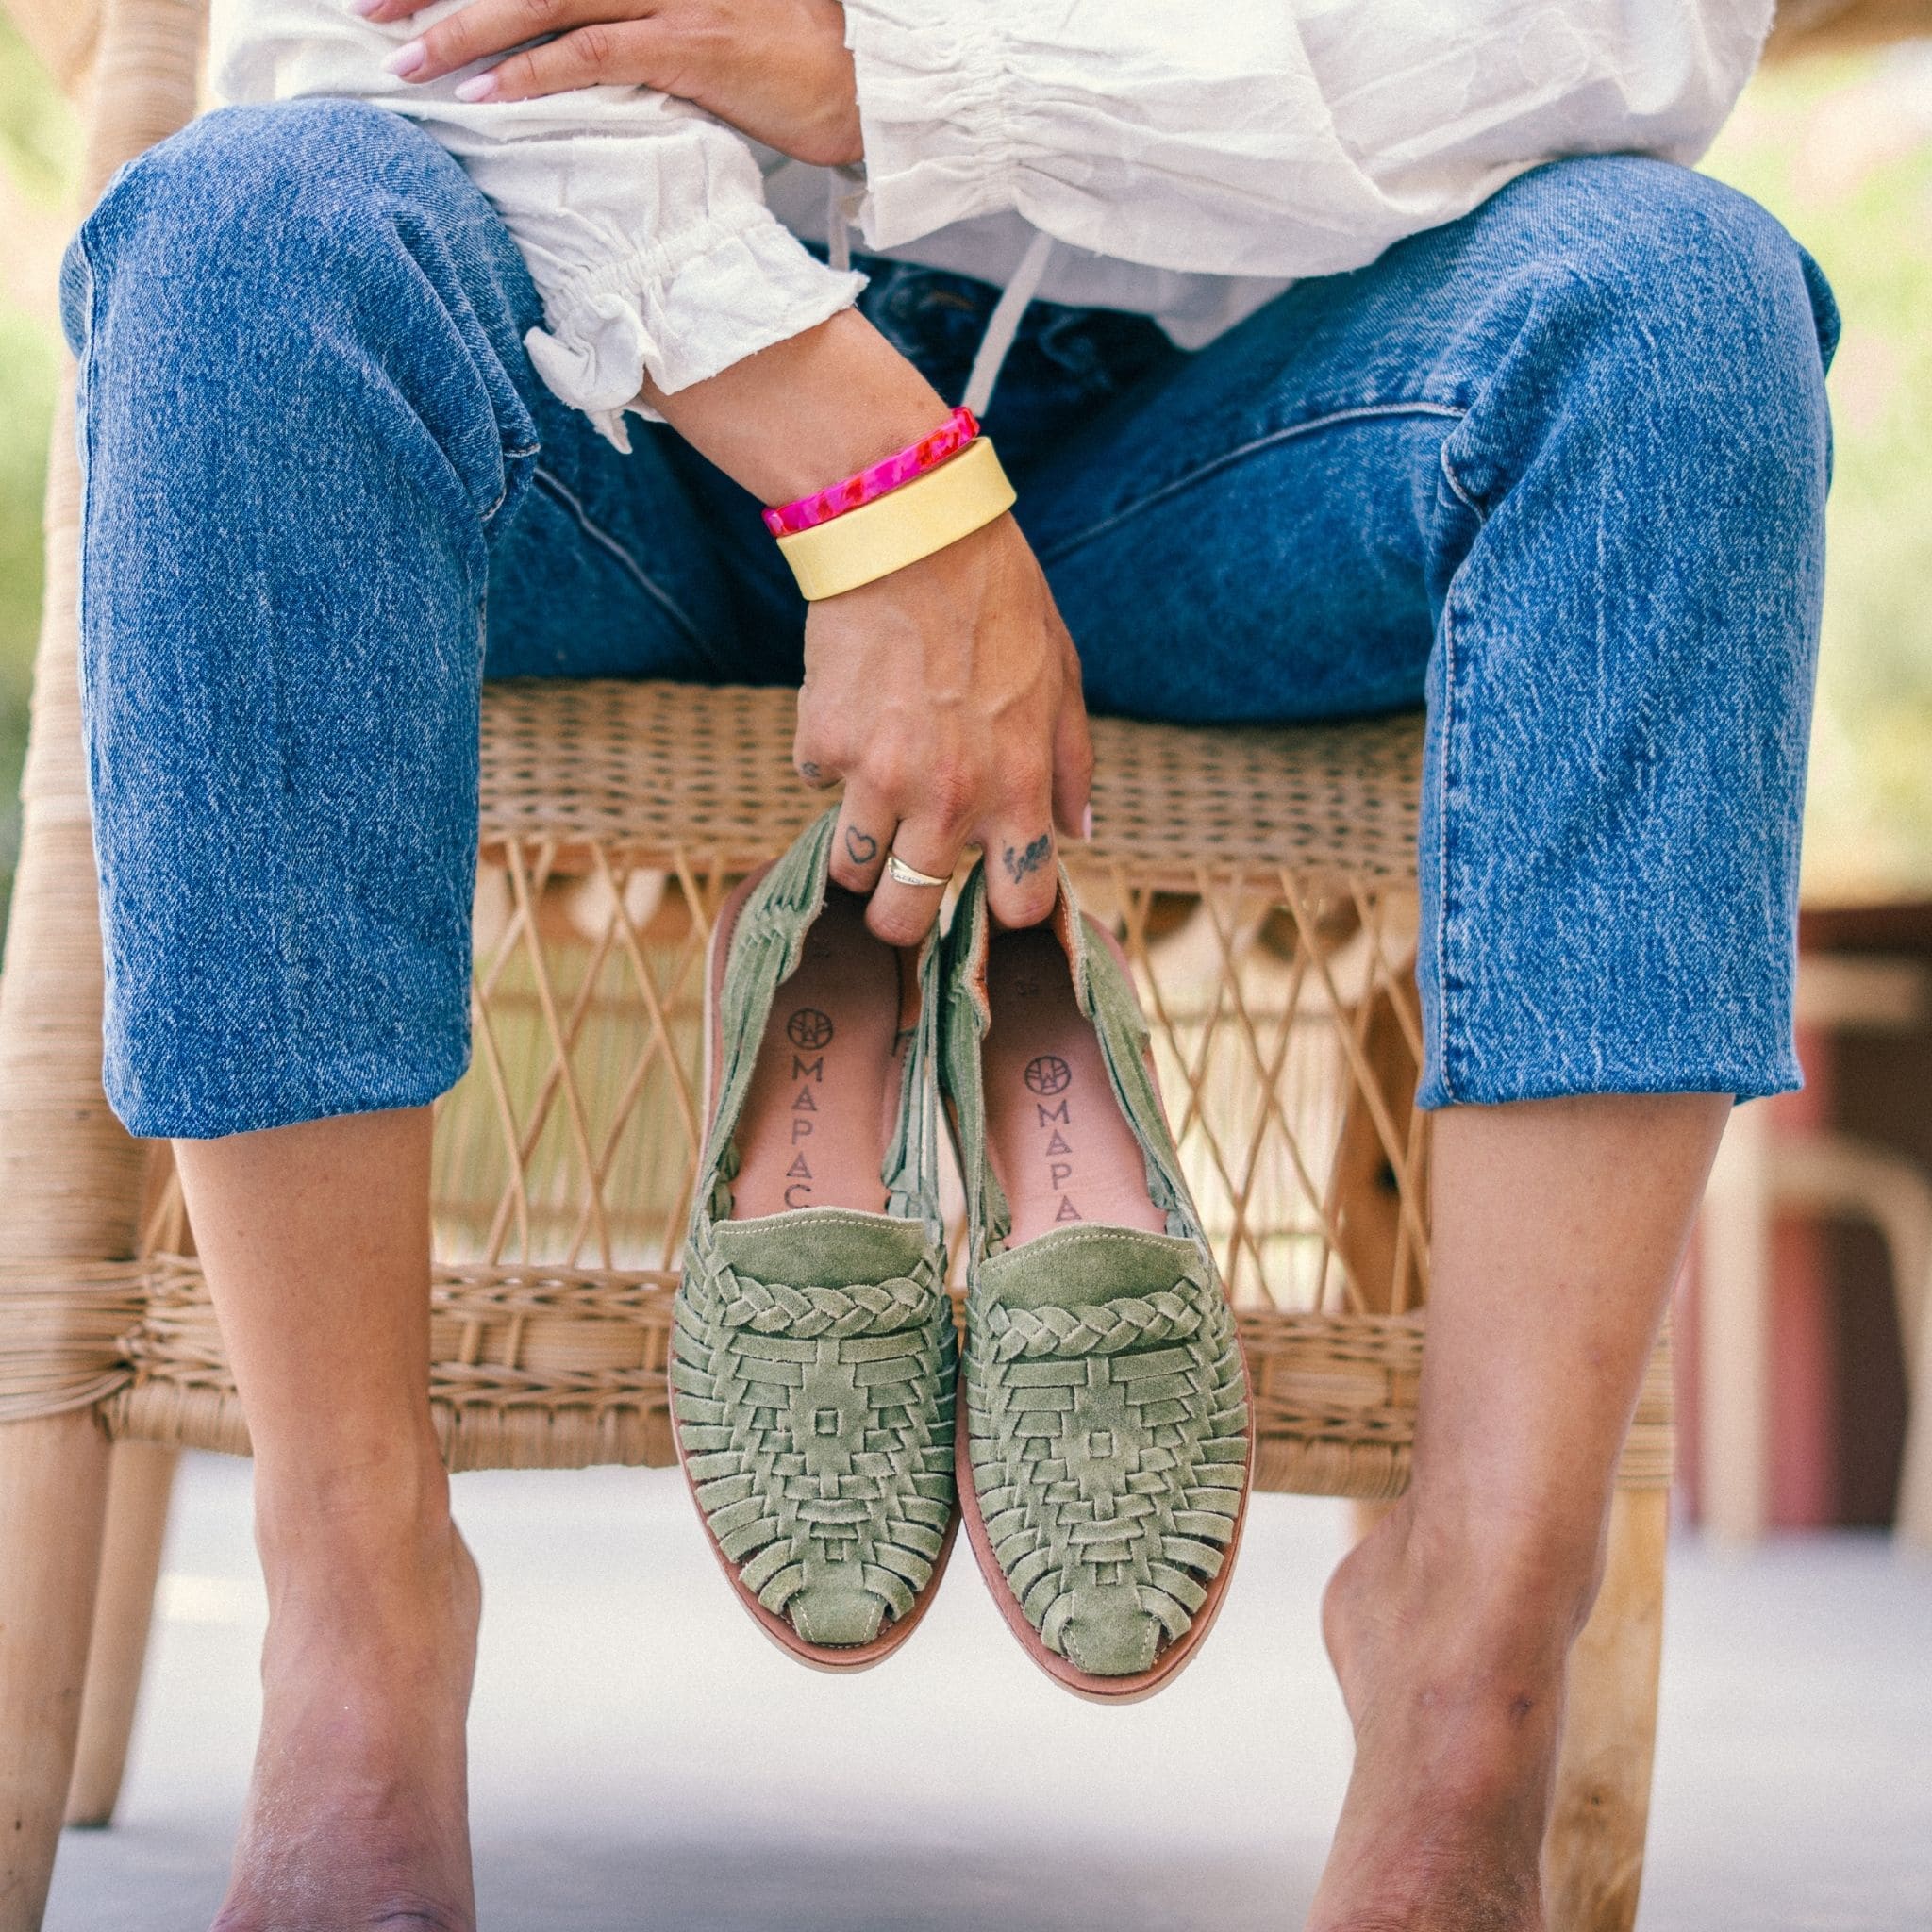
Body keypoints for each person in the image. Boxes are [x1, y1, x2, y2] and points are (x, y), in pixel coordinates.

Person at [61, 0, 1835, 1924]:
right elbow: (357, 35)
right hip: (609, 364)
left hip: (1241, 412)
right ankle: (356, 1612)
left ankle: (1473, 1646)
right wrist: (855, 453)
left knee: (1678, 312)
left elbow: (1627, 39)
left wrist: (886, 73)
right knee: (241, 243)